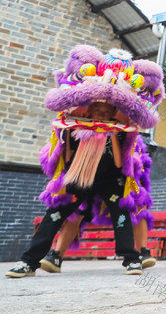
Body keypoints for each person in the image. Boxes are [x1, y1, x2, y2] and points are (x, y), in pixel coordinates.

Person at [7, 102, 143, 278]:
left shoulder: (118, 132)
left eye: (105, 112)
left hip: (109, 180)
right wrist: (70, 131)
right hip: (79, 178)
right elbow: (68, 157)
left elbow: (118, 163)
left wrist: (113, 135)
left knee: (121, 214)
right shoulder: (75, 128)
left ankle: (131, 258)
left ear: (112, 115)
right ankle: (29, 262)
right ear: (89, 112)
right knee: (54, 214)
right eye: (97, 111)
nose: (101, 115)